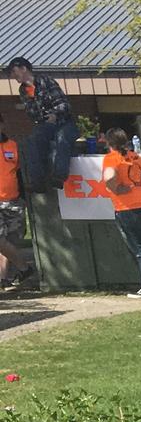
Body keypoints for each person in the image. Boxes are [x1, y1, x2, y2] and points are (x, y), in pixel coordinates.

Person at [5, 57, 76, 196]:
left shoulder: (46, 81)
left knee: (62, 139)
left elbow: (64, 104)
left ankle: (59, 176)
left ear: (24, 68)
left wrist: (54, 114)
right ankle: (37, 182)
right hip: (45, 125)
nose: (13, 76)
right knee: (33, 141)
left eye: (14, 71)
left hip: (64, 122)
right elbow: (32, 114)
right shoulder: (23, 90)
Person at [99, 129, 141, 298]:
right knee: (140, 246)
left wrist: (115, 188)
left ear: (109, 142)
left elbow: (109, 176)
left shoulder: (110, 158)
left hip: (127, 208)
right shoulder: (133, 156)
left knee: (139, 248)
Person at [0, 130, 31, 290]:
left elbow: (20, 172)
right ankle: (24, 267)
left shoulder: (13, 146)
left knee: (9, 242)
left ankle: (3, 279)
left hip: (13, 200)